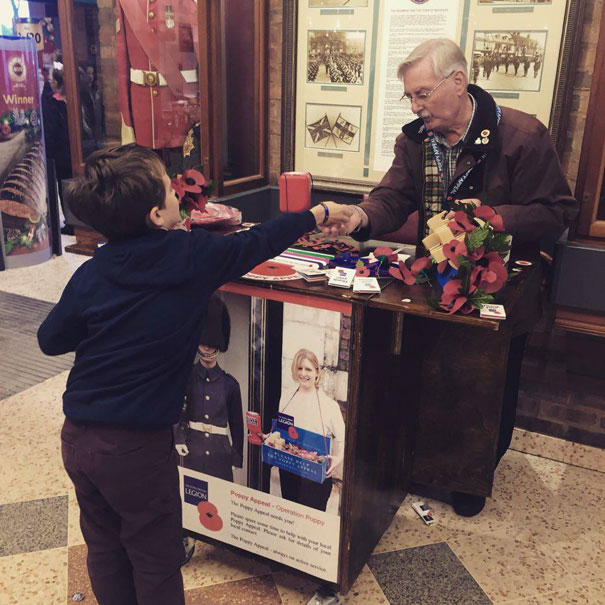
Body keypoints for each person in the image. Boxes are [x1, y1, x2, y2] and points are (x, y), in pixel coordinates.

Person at [37, 143, 352, 605]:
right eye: (168, 186)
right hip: (136, 448)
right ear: (157, 215)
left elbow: (50, 339)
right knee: (155, 555)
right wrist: (318, 212)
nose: (176, 190)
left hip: (79, 438)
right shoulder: (189, 256)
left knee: (104, 546)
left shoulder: (94, 270)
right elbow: (258, 241)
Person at [322, 38, 578, 517]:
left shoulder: (521, 135)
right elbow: (392, 199)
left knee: (485, 383)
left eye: (422, 94)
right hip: (432, 283)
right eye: (411, 97)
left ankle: (469, 480)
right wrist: (357, 216)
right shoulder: (415, 140)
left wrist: (492, 218)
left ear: (457, 82)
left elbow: (557, 212)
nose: (416, 106)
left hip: (499, 288)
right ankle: (423, 468)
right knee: (429, 374)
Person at [174, 294, 244, 482]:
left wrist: (236, 457)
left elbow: (237, 426)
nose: (206, 349)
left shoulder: (230, 385)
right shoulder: (186, 377)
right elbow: (176, 409)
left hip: (220, 454)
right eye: (203, 344)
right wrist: (178, 438)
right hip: (191, 450)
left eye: (211, 345)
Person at [275, 349, 345, 512]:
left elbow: (343, 439)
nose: (303, 374)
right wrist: (269, 438)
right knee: (291, 516)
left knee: (311, 523)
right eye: (299, 368)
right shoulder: (286, 397)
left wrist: (338, 458)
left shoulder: (329, 406)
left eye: (308, 369)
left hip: (315, 475)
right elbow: (281, 431)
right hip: (289, 471)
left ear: (316, 372)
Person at [41, 68, 74, 235]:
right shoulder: (74, 100)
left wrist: (48, 154)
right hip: (74, 150)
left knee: (63, 187)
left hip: (60, 154)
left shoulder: (51, 104)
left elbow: (50, 131)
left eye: (52, 80)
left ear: (58, 83)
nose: (50, 83)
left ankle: (71, 222)